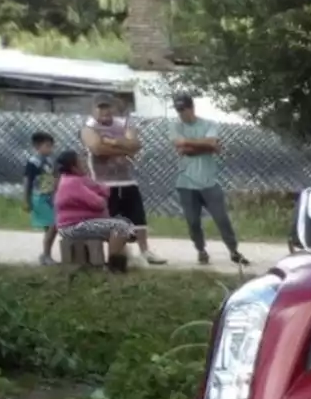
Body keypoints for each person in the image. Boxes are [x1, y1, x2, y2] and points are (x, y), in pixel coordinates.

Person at [80, 94, 167, 265]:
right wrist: (123, 148)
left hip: (127, 180)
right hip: (103, 183)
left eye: (107, 107)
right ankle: (119, 254)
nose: (104, 111)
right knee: (112, 221)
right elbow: (97, 148)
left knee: (138, 218)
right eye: (100, 107)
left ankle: (145, 251)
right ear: (93, 110)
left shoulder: (123, 124)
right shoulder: (88, 128)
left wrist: (111, 142)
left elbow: (135, 145)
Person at [170, 93, 249, 266]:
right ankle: (201, 250)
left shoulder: (209, 124)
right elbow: (182, 147)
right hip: (186, 183)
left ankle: (233, 250)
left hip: (208, 181)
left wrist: (193, 145)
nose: (181, 113)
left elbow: (212, 142)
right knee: (193, 221)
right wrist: (206, 147)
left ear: (192, 108)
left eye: (184, 109)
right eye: (178, 110)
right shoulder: (175, 126)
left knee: (221, 218)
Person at [52, 150, 134, 274]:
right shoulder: (72, 183)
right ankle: (114, 267)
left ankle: (120, 265)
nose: (85, 163)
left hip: (79, 224)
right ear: (73, 168)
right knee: (120, 227)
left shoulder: (77, 179)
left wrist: (94, 188)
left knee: (121, 227)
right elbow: (99, 203)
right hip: (73, 227)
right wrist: (99, 195)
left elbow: (104, 190)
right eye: (81, 161)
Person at [24, 131, 58, 265]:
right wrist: (26, 199)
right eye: (47, 146)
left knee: (50, 227)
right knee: (53, 225)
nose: (50, 149)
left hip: (50, 196)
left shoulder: (50, 161)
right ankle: (46, 255)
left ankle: (46, 255)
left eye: (51, 146)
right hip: (39, 197)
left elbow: (55, 176)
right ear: (37, 146)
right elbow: (27, 181)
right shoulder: (33, 162)